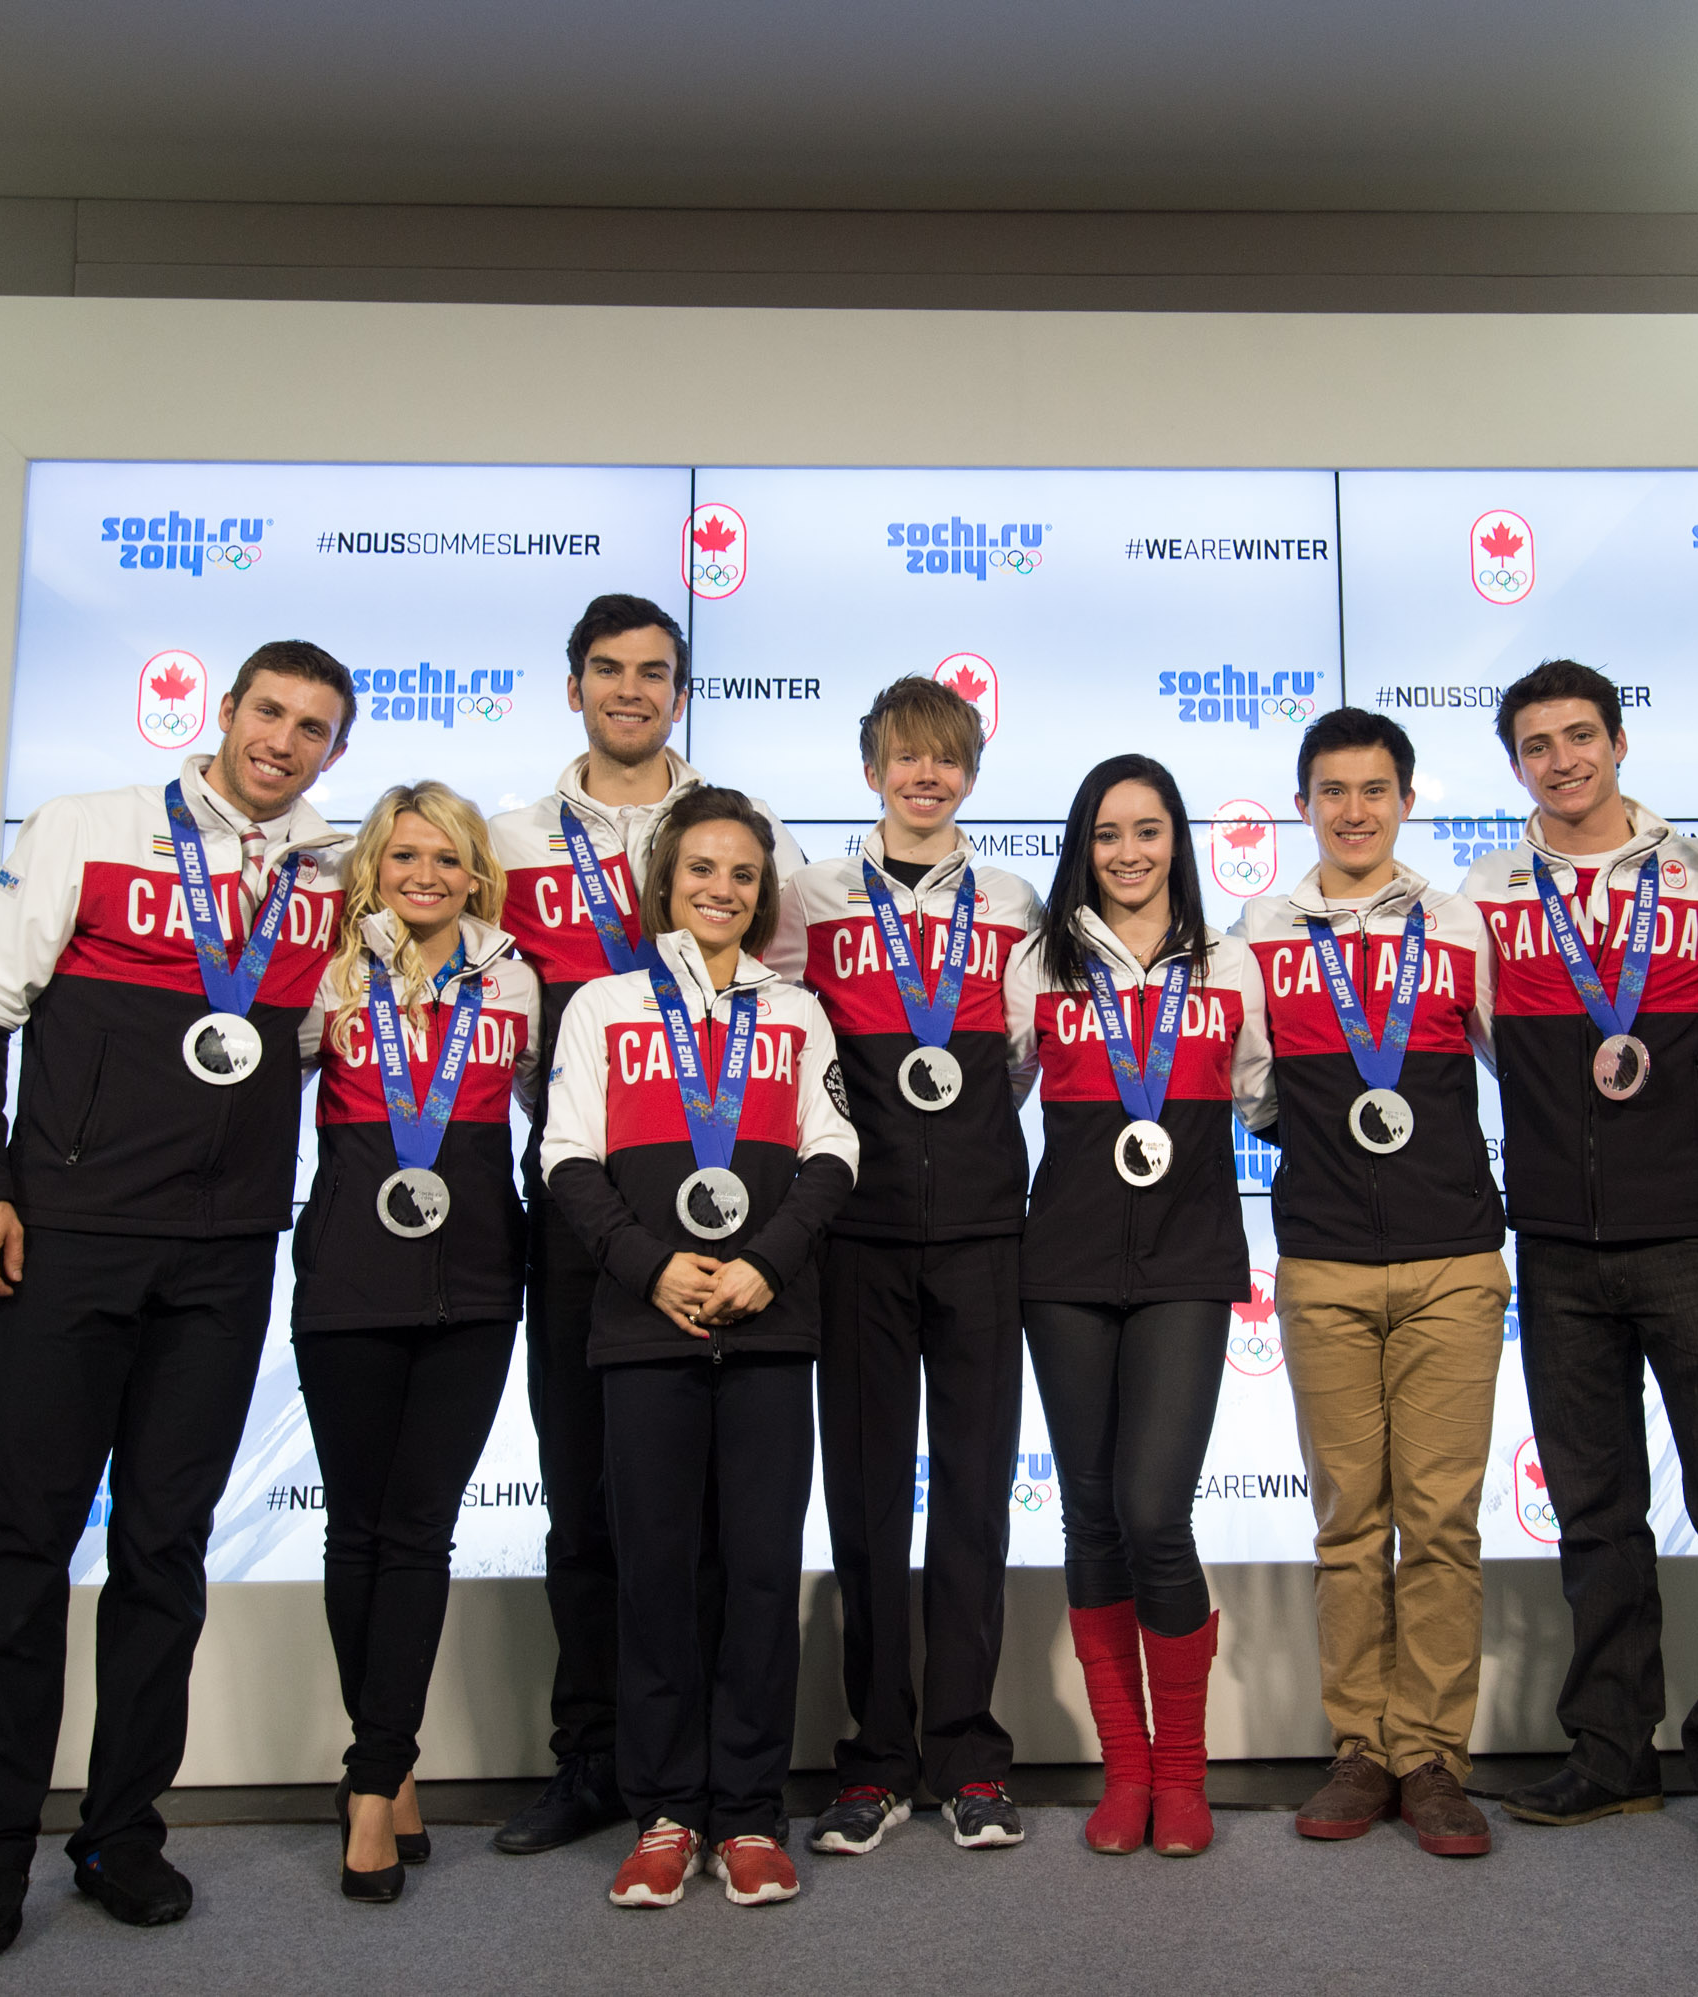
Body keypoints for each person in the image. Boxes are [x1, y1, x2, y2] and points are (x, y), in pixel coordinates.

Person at [0, 643, 355, 1959]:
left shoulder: (334, 881)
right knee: (20, 1550)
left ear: (335, 750)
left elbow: (349, 1031)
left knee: (165, 1554)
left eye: (312, 727)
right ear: (224, 714)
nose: (282, 740)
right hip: (70, 1242)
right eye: (268, 712)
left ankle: (120, 1832)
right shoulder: (88, 829)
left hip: (223, 1257)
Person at [1459, 660, 1698, 1860]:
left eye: (1580, 735)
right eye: (1538, 744)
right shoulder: (1487, 891)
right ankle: (1612, 1753)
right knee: (1597, 1516)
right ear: (1515, 763)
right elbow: (1493, 1048)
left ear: (1618, 739)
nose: (1563, 759)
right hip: (1555, 1247)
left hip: (1696, 1241)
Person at [486, 595, 807, 1857]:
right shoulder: (510, 838)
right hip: (584, 1207)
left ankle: (716, 1784)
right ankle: (595, 1758)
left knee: (721, 1513)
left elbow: (782, 1009)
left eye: (656, 673)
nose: (632, 690)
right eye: (609, 671)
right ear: (573, 687)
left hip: (731, 1210)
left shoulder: (740, 834)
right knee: (588, 1496)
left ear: (681, 690)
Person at [541, 787, 858, 1909]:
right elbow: (566, 1158)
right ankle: (667, 1810)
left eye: (741, 874)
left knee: (764, 1573)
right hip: (645, 1326)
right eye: (700, 870)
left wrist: (767, 1260)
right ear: (663, 883)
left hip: (771, 1324)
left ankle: (751, 1813)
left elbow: (834, 1150)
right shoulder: (601, 1004)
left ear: (761, 893)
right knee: (657, 1575)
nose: (720, 889)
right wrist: (649, 1266)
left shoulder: (797, 1010)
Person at [1228, 708, 1506, 1859]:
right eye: (1332, 790)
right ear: (1304, 805)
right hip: (1326, 1258)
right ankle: (1361, 1745)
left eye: (1375, 789)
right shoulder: (1263, 926)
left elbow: (1512, 1060)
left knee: (1439, 1520)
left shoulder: (1457, 924)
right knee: (1352, 1521)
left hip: (1453, 1259)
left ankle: (1433, 1754)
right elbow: (1253, 1089)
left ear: (1405, 799)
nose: (1353, 810)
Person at [1003, 756, 1275, 1857]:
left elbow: (1267, 1097)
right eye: (1107, 831)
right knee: (1091, 1515)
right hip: (1062, 1265)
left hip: (1187, 1264)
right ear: (1083, 842)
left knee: (1157, 1511)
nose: (1128, 851)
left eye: (1149, 830)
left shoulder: (1233, 964)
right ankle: (1125, 1769)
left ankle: (1183, 1768)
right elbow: (988, 1096)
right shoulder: (1039, 965)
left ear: (1178, 841)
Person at [792, 676, 1044, 1855]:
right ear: (871, 769)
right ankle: (875, 1756)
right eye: (905, 757)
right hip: (858, 1235)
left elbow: (1022, 1059)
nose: (925, 776)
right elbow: (787, 1052)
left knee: (979, 1498)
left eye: (946, 759)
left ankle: (969, 1752)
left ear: (972, 775)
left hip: (988, 1230)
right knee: (867, 1500)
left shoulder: (1014, 900)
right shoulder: (812, 899)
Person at [291, 783, 540, 1902]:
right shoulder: (327, 976)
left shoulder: (515, 977)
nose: (425, 874)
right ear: (371, 869)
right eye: (402, 857)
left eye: (447, 856)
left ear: (477, 870)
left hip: (477, 1282)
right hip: (347, 1276)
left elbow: (562, 1108)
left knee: (420, 1528)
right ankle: (379, 1774)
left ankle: (374, 1773)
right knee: (358, 1527)